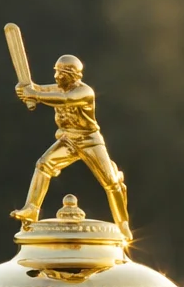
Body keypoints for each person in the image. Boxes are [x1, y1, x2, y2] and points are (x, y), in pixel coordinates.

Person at [11, 54, 131, 238]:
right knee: (43, 164)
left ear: (73, 75)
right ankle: (32, 209)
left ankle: (123, 224)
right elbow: (37, 89)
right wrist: (24, 89)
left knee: (110, 183)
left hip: (89, 141)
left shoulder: (84, 92)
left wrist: (34, 95)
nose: (57, 76)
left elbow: (64, 99)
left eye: (62, 73)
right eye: (56, 72)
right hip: (68, 140)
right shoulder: (57, 88)